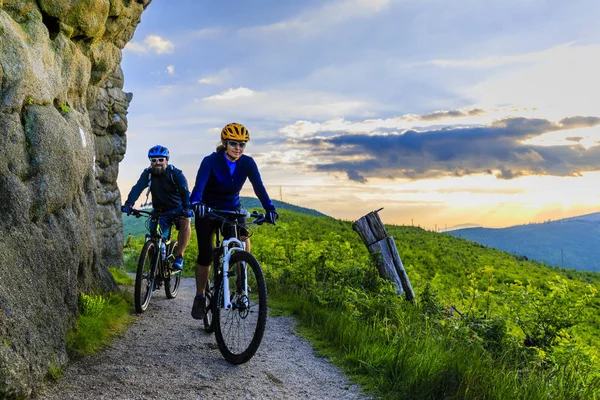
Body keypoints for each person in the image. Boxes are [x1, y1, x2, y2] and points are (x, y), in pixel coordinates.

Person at [189, 123, 278, 319]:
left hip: (231, 209)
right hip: (208, 209)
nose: (238, 148)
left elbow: (259, 187)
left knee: (241, 240)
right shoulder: (210, 161)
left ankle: (241, 284)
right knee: (205, 254)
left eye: (242, 145)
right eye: (233, 144)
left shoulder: (247, 163)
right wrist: (196, 202)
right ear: (225, 143)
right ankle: (200, 295)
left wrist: (270, 209)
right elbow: (199, 187)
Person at [121, 145, 193, 271]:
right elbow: (137, 188)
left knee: (185, 221)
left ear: (167, 160)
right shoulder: (148, 173)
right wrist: (129, 204)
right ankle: (155, 273)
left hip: (177, 210)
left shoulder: (175, 173)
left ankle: (180, 256)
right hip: (159, 211)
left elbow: (185, 191)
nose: (157, 163)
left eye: (160, 159)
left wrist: (187, 207)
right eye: (153, 160)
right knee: (152, 239)